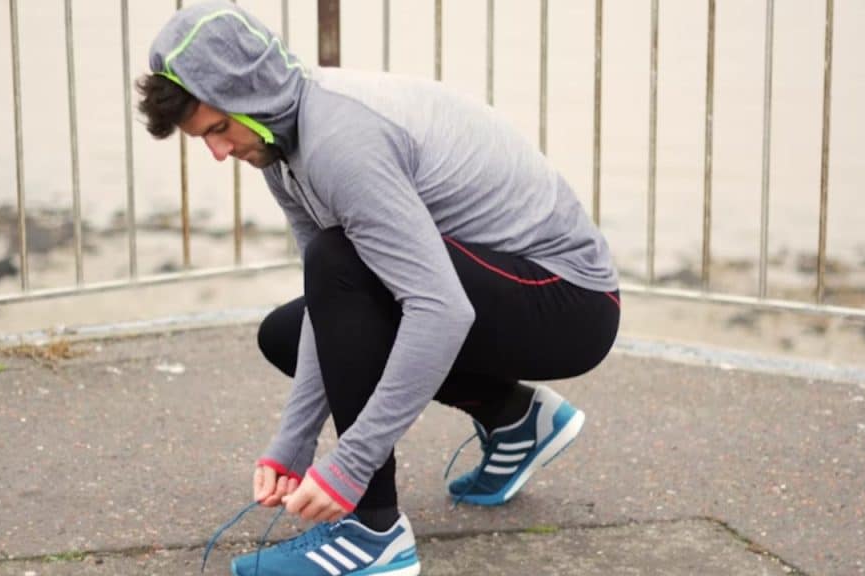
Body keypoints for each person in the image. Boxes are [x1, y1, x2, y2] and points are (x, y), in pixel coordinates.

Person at [139, 2, 620, 574]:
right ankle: (514, 416)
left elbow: (438, 309)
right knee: (288, 331)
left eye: (219, 128)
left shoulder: (339, 143)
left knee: (340, 260)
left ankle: (374, 534)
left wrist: (350, 466)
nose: (218, 152)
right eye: (203, 139)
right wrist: (293, 441)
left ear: (251, 95)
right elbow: (331, 300)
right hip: (497, 287)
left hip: (567, 300)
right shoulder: (280, 142)